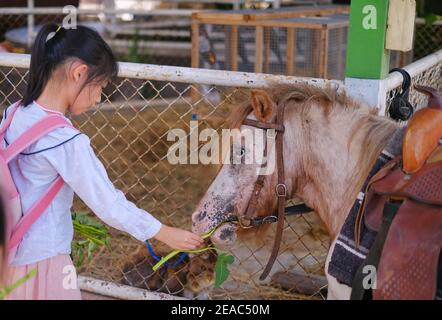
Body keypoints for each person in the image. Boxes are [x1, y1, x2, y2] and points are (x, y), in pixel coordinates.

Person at [1, 23, 204, 300]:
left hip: (7, 252)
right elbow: (109, 204)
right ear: (79, 73)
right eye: (100, 87)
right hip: (43, 258)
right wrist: (163, 232)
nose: (98, 98)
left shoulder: (13, 114)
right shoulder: (67, 141)